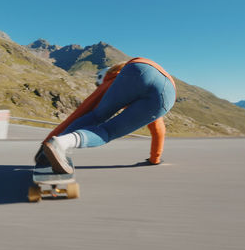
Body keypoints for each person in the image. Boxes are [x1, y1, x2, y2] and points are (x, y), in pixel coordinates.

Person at [36, 57, 177, 174]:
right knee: (108, 129)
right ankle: (60, 145)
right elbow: (159, 130)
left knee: (99, 119)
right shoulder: (121, 74)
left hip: (136, 68)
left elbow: (82, 111)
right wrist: (155, 158)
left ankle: (61, 143)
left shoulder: (110, 80)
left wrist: (48, 143)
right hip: (165, 89)